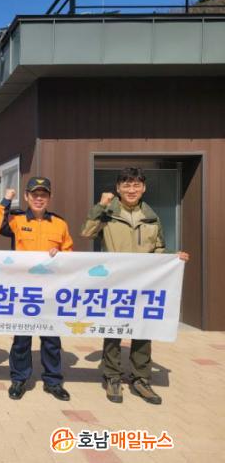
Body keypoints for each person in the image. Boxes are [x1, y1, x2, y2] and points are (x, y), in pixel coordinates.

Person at [81, 167, 189, 405]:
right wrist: (101, 205)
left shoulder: (151, 217)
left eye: (136, 185)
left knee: (143, 329)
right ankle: (112, 376)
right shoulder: (109, 212)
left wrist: (174, 256)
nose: (132, 190)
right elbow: (87, 232)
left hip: (145, 283)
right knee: (113, 330)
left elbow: (159, 248)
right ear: (118, 188)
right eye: (127, 185)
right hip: (115, 282)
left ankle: (141, 379)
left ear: (144, 188)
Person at [0, 177, 73, 402]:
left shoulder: (59, 223)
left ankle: (53, 382)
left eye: (43, 195)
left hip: (49, 291)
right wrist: (6, 200)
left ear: (49, 198)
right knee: (22, 339)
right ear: (26, 197)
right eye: (34, 194)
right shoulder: (17, 220)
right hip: (24, 290)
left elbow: (69, 253)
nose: (39, 198)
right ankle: (19, 379)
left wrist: (60, 255)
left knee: (51, 339)